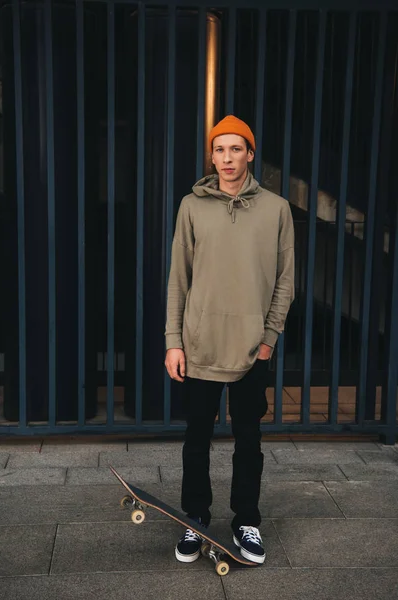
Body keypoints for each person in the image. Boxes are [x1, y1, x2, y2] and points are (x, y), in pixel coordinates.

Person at [164, 115, 295, 565]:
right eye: (219, 150)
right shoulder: (191, 206)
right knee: (196, 438)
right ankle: (195, 520)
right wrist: (173, 341)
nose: (227, 158)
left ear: (250, 154)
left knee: (249, 440)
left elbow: (285, 279)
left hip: (251, 346)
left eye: (236, 149)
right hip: (200, 343)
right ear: (212, 156)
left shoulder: (277, 208)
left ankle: (247, 523)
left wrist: (269, 337)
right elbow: (178, 279)